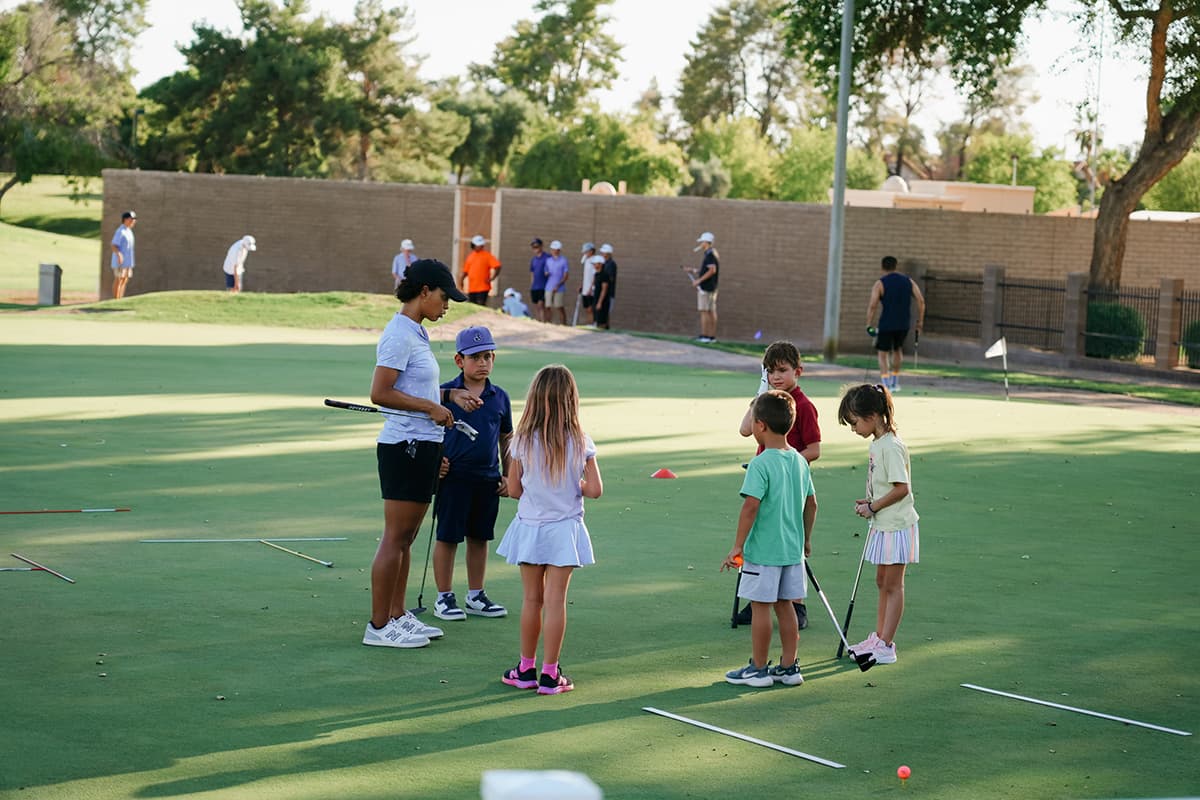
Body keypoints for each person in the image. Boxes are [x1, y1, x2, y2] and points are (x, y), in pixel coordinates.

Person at [363, 258, 481, 650]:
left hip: (422, 444)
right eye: (444, 297)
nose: (447, 306)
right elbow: (380, 392)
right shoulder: (399, 333)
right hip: (405, 446)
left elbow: (414, 387)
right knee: (395, 537)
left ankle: (397, 615)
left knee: (407, 539)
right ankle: (379, 625)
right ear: (424, 291)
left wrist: (446, 397)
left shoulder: (416, 332)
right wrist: (430, 408)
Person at [496, 364, 603, 695]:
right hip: (564, 529)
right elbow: (595, 489)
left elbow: (514, 490)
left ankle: (525, 668)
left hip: (531, 527)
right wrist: (575, 484)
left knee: (532, 599)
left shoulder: (523, 441)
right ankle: (550, 674)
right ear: (571, 399)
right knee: (556, 600)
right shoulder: (580, 441)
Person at [720, 389, 817, 688]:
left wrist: (737, 546)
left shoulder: (760, 464)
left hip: (763, 551)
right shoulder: (800, 462)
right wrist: (806, 541)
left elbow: (750, 506)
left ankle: (759, 668)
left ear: (760, 426)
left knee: (761, 607)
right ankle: (789, 667)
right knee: (786, 605)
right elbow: (812, 504)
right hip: (792, 551)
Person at [734, 340, 820, 629]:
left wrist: (785, 464)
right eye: (770, 371)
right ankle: (759, 597)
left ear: (798, 371)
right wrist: (760, 393)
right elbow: (745, 430)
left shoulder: (804, 407)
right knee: (762, 536)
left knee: (785, 539)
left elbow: (814, 449)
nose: (776, 377)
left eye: (782, 370)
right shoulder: (767, 401)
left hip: (790, 484)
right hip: (764, 481)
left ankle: (797, 604)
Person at [432, 326, 514, 623]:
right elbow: (428, 431)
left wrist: (509, 475)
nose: (483, 363)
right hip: (453, 476)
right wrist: (435, 463)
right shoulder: (443, 393)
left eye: (488, 356)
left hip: (487, 477)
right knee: (448, 536)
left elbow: (506, 437)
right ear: (459, 361)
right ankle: (444, 597)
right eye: (475, 357)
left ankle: (476, 594)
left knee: (480, 537)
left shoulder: (499, 397)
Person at [837, 383, 920, 666]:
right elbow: (886, 485)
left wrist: (873, 506)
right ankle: (878, 637)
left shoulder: (892, 447)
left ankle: (887, 644)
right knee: (881, 581)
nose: (853, 428)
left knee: (894, 585)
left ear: (872, 416)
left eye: (855, 422)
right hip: (882, 524)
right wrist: (870, 501)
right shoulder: (878, 444)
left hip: (896, 525)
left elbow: (901, 489)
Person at [867, 255, 926, 392]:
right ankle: (895, 382)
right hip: (903, 324)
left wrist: (868, 324)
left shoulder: (880, 283)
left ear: (882, 267)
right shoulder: (908, 281)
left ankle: (885, 384)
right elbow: (921, 301)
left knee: (882, 353)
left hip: (886, 324)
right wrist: (920, 321)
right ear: (895, 266)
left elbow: (872, 305)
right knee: (898, 350)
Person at [691, 231, 719, 343]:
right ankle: (711, 337)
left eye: (702, 241)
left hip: (706, 288)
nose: (701, 244)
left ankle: (705, 336)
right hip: (711, 287)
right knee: (710, 311)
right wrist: (694, 270)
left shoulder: (710, 254)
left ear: (706, 242)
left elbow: (712, 270)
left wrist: (698, 281)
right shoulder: (711, 253)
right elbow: (707, 269)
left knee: (705, 311)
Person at [462, 234, 501, 306]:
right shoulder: (470, 256)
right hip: (472, 288)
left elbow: (497, 266)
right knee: (472, 306)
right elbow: (465, 271)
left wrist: (492, 278)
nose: (479, 247)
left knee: (481, 304)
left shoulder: (487, 256)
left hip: (483, 287)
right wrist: (461, 281)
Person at [109, 210, 136, 299]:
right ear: (125, 219)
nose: (133, 221)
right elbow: (113, 245)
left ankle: (120, 298)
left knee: (125, 279)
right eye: (131, 219)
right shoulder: (120, 231)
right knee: (119, 279)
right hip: (120, 262)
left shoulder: (129, 231)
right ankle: (115, 299)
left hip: (128, 262)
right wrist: (119, 255)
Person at [544, 240, 570, 324]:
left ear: (559, 250)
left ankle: (563, 324)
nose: (554, 251)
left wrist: (558, 286)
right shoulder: (548, 260)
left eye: (556, 249)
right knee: (547, 306)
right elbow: (545, 272)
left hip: (559, 288)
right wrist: (546, 273)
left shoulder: (563, 260)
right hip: (549, 286)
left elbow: (566, 276)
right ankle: (548, 324)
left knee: (559, 306)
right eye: (553, 249)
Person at [575, 242, 597, 326]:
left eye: (586, 251)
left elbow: (595, 276)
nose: (585, 253)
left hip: (591, 289)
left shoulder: (594, 260)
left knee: (590, 308)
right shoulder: (586, 259)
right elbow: (586, 274)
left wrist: (591, 288)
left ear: (591, 251)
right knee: (587, 308)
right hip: (585, 288)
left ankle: (593, 324)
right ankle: (589, 323)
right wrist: (582, 285)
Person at [528, 238, 549, 321]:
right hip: (535, 286)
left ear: (541, 246)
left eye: (537, 246)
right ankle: (538, 320)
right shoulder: (534, 260)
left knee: (541, 304)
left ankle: (543, 321)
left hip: (544, 285)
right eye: (534, 247)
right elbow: (532, 272)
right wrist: (532, 284)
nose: (535, 249)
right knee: (536, 305)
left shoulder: (547, 257)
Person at [590, 254, 612, 330]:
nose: (594, 265)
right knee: (596, 317)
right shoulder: (596, 274)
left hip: (603, 300)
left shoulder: (604, 275)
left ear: (600, 264)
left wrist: (600, 302)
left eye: (595, 264)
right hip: (596, 298)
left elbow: (604, 289)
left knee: (602, 320)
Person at [598, 243, 617, 327]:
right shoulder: (603, 263)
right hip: (602, 291)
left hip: (608, 293)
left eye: (603, 252)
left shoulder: (611, 264)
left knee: (605, 312)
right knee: (603, 312)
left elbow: (610, 279)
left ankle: (605, 327)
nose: (602, 254)